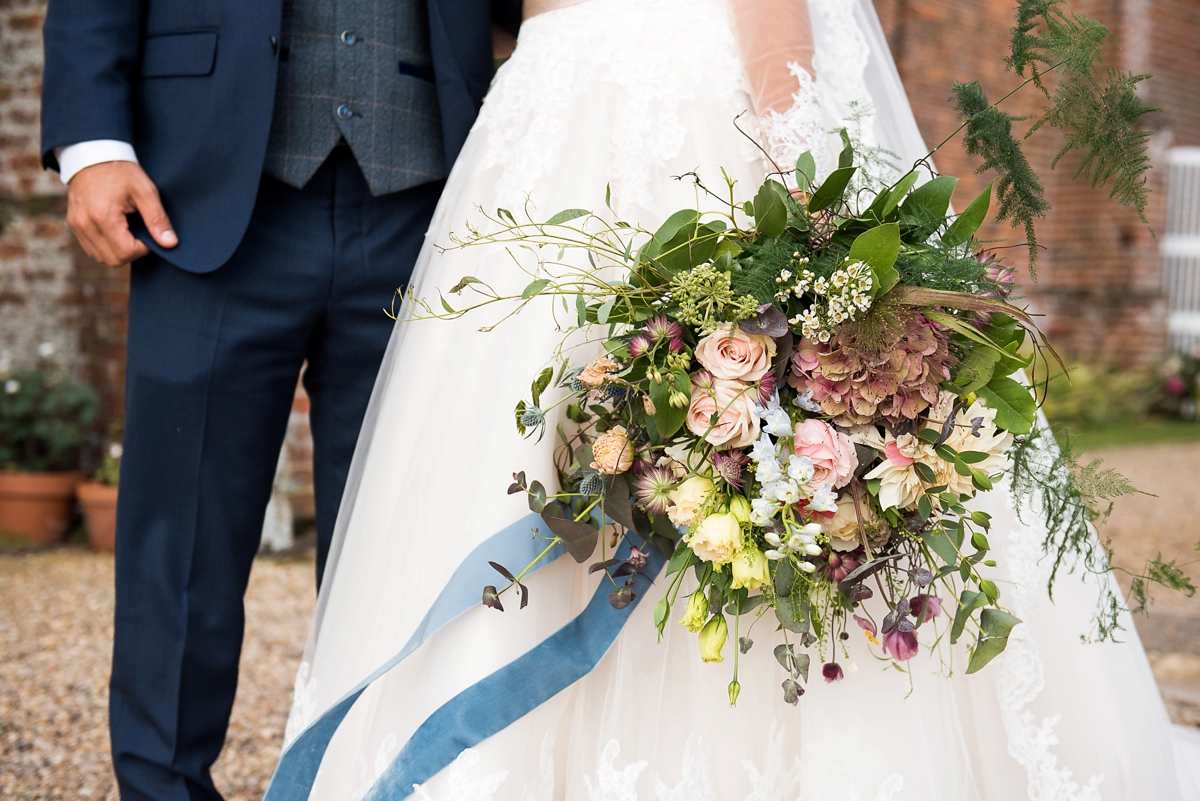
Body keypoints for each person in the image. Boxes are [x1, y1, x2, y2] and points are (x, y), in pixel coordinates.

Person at [272, 0, 1200, 798]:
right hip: (555, 103)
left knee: (723, 427)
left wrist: (801, 183)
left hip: (693, 98)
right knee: (543, 438)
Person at [39, 1, 520, 798]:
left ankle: (374, 782)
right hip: (201, 193)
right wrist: (92, 144)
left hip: (428, 196)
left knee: (401, 543)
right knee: (181, 533)